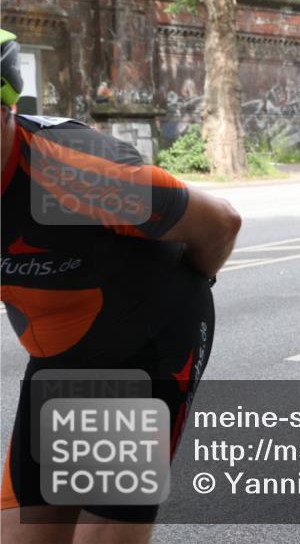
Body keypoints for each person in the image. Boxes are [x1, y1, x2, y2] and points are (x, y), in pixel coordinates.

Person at [0, 28, 242, 543]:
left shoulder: (74, 173)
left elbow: (220, 223)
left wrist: (189, 290)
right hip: (60, 355)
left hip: (145, 342)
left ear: (7, 111)